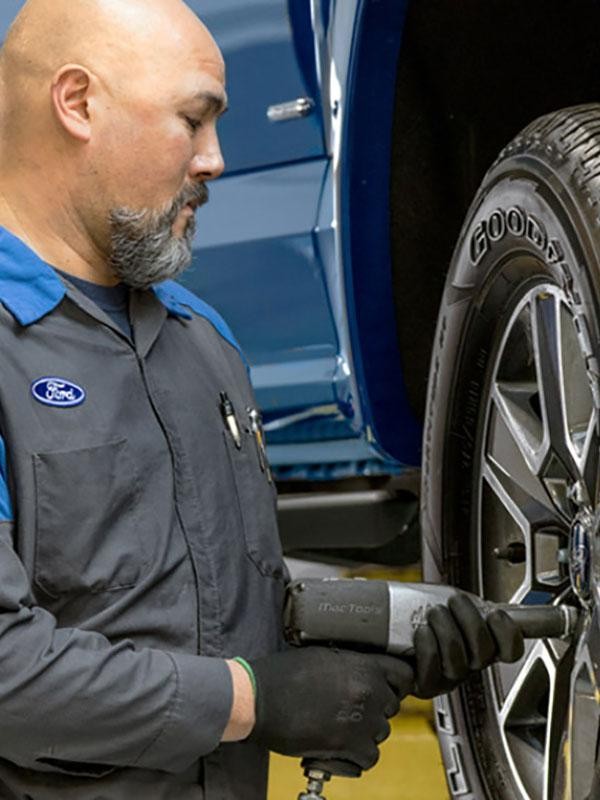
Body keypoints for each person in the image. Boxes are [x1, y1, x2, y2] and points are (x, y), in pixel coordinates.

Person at [0, 0, 524, 798]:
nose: (215, 160)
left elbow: (212, 599)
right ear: (78, 103)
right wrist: (256, 702)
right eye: (193, 119)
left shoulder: (200, 339)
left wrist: (389, 625)